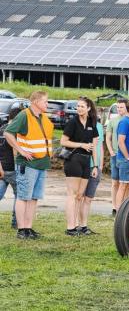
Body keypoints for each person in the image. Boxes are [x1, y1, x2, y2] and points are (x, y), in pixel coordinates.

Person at [4, 91, 54, 239]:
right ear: (36, 101)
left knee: (33, 197)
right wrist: (21, 150)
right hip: (28, 164)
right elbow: (8, 133)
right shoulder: (24, 115)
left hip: (41, 163)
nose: (47, 104)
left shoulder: (43, 117)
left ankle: (28, 228)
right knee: (23, 196)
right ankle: (21, 230)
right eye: (45, 101)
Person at [60, 97, 99, 236]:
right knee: (72, 194)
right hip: (73, 159)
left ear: (88, 108)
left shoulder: (92, 123)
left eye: (82, 106)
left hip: (87, 161)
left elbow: (94, 146)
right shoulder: (72, 122)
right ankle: (70, 227)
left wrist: (95, 165)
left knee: (80, 195)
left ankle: (77, 225)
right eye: (78, 106)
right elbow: (63, 141)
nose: (79, 108)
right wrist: (81, 145)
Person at [80, 107, 105, 235]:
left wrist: (99, 165)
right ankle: (76, 225)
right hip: (83, 165)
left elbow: (100, 146)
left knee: (88, 198)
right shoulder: (81, 126)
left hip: (95, 167)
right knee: (79, 197)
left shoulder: (99, 127)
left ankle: (84, 225)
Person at [0, 107, 22, 229]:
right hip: (13, 169)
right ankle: (16, 222)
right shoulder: (15, 132)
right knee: (19, 195)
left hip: (2, 169)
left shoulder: (1, 129)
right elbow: (15, 152)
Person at [106, 99, 127, 216]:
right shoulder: (112, 121)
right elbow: (108, 138)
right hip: (115, 156)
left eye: (121, 107)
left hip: (126, 156)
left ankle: (123, 206)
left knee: (126, 183)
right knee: (115, 182)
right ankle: (114, 207)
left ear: (126, 108)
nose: (119, 109)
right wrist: (111, 151)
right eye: (118, 107)